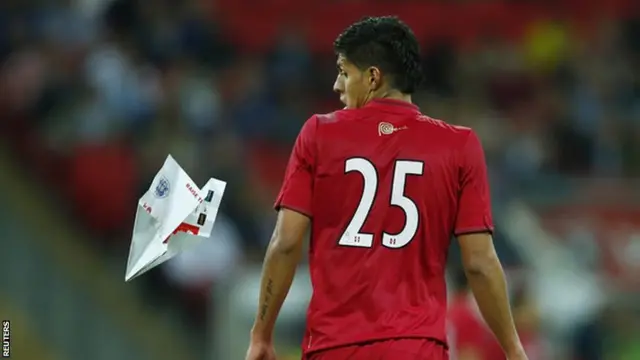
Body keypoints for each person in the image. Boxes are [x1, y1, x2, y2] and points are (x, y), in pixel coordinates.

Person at [245, 16, 527, 360]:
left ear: (373, 77)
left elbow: (286, 242)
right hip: (417, 348)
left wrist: (261, 334)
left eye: (344, 72)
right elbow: (480, 262)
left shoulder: (318, 134)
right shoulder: (459, 146)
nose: (337, 85)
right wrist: (513, 350)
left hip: (334, 347)